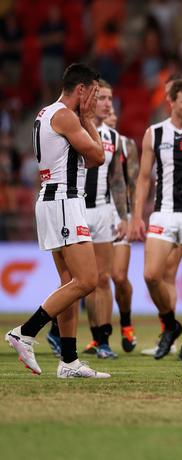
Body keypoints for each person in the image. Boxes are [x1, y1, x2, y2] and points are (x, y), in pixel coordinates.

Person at [6, 63, 110, 378]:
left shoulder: (45, 113)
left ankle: (68, 361)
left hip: (53, 200)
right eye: (93, 92)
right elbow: (98, 157)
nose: (94, 99)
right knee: (87, 281)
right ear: (81, 90)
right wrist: (90, 119)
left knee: (69, 283)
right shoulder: (66, 116)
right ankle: (25, 331)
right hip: (64, 201)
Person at [129, 78, 182, 361]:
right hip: (164, 212)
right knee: (151, 275)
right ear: (170, 102)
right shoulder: (155, 133)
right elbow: (144, 178)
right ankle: (170, 323)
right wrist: (138, 215)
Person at [81, 80, 129, 359]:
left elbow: (118, 181)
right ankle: (62, 333)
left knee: (103, 278)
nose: (108, 104)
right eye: (102, 98)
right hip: (75, 207)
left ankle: (104, 340)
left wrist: (122, 216)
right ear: (89, 99)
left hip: (101, 210)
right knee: (79, 279)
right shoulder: (73, 126)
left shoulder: (113, 138)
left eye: (111, 99)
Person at [104, 106, 139, 353]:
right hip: (91, 213)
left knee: (118, 276)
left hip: (118, 214)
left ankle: (126, 325)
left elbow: (133, 183)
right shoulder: (81, 135)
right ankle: (100, 337)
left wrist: (133, 216)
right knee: (94, 279)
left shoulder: (125, 144)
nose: (111, 112)